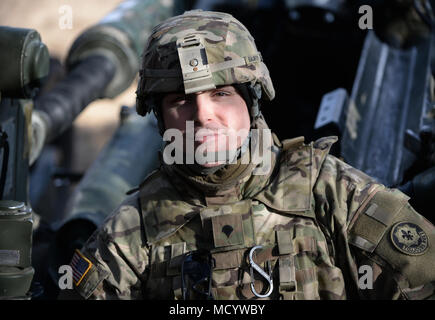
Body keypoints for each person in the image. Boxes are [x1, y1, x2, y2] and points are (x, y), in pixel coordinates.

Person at [60, 10, 435, 300]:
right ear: (161, 118)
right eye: (180, 100)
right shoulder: (130, 232)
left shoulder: (332, 193)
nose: (203, 115)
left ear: (252, 99)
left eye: (220, 93)